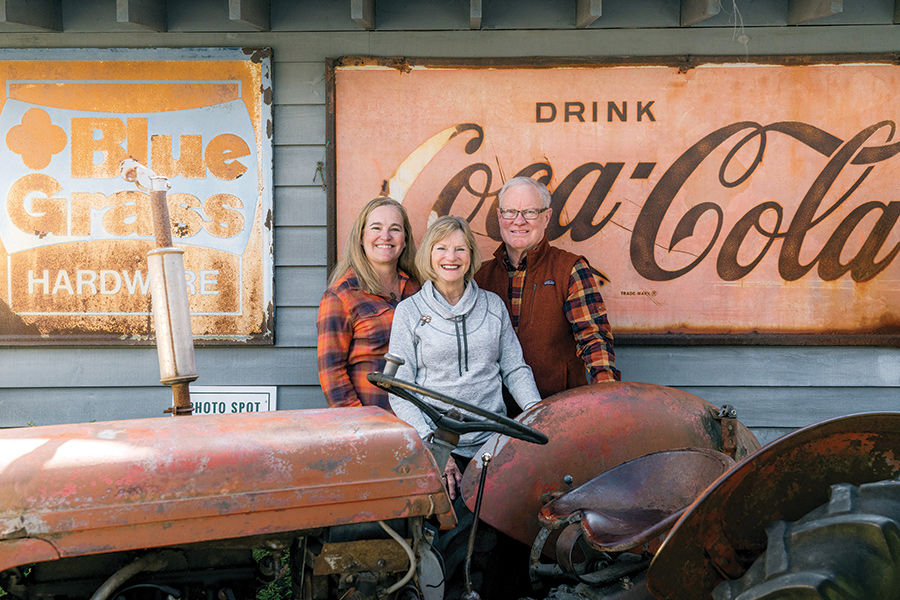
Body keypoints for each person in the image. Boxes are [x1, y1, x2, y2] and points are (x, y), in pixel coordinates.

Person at [387, 216, 541, 498]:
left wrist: (536, 412)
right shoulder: (409, 312)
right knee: (452, 527)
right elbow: (400, 389)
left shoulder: (492, 306)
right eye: (441, 248)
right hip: (439, 439)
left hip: (492, 439)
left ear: (471, 255)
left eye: (460, 249)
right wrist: (431, 445)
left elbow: (515, 369)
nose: (451, 257)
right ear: (428, 255)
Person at [475, 176, 621, 401]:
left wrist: (608, 397)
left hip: (560, 413)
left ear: (547, 217)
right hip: (498, 416)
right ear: (499, 216)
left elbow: (594, 339)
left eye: (530, 212)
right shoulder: (481, 277)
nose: (519, 221)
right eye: (510, 212)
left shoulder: (570, 270)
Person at [316, 197, 420, 410]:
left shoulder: (418, 288)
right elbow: (332, 374)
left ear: (405, 239)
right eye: (376, 227)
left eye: (395, 229)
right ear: (361, 237)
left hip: (420, 420)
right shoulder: (341, 295)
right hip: (373, 423)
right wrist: (362, 424)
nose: (385, 236)